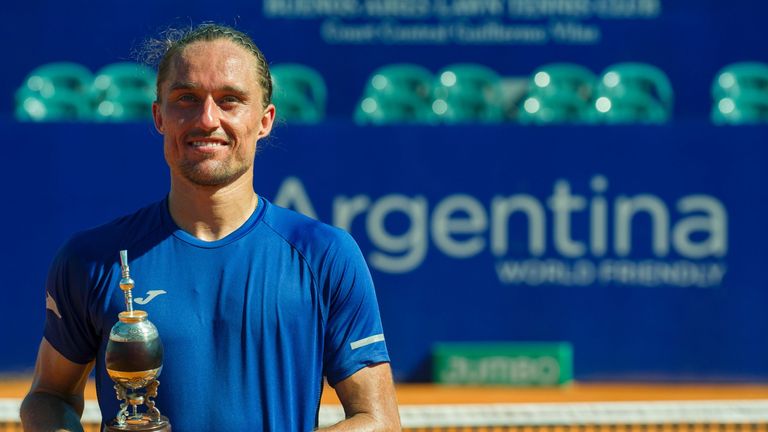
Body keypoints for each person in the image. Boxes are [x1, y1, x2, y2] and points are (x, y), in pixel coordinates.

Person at [20, 23, 400, 431]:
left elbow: (377, 419)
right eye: (186, 99)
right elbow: (48, 396)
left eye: (230, 100)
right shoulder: (91, 260)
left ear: (265, 120)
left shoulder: (326, 255)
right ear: (158, 116)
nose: (207, 119)